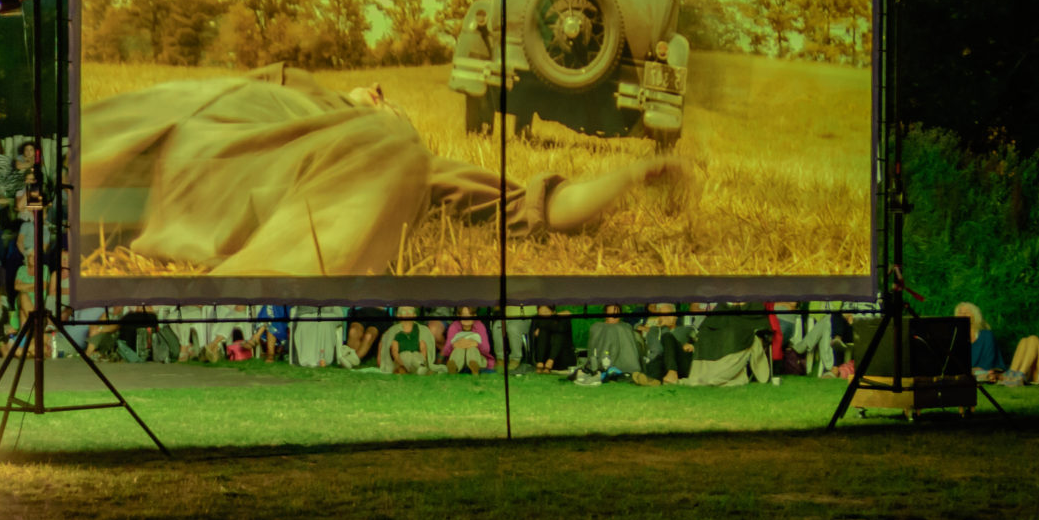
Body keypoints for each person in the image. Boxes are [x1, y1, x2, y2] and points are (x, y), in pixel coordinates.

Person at [82, 65, 685, 277]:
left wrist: (633, 174)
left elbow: (540, 207)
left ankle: (267, 289)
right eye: (374, 91)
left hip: (227, 185)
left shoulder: (392, 151)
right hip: (143, 144)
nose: (376, 88)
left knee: (393, 148)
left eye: (388, 97)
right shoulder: (283, 85)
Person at [631, 309, 696, 385]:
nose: (666, 317)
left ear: (675, 317)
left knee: (667, 337)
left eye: (669, 314)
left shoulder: (687, 329)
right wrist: (661, 328)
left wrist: (693, 346)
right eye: (663, 315)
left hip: (682, 363)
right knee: (658, 357)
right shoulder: (654, 331)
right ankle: (653, 380)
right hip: (663, 364)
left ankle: (671, 373)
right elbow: (656, 349)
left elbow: (701, 341)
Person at [954, 302, 1003, 378]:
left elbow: (990, 360)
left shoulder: (986, 335)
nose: (963, 315)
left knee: (988, 373)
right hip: (965, 372)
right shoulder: (955, 336)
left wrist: (977, 370)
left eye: (967, 312)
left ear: (975, 315)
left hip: (985, 370)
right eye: (960, 313)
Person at [528, 305, 576, 374]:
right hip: (544, 359)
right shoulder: (538, 320)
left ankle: (549, 361)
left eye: (546, 312)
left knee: (559, 332)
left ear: (553, 312)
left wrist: (544, 324)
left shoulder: (562, 320)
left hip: (562, 359)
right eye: (540, 313)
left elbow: (568, 314)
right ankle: (541, 362)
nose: (543, 315)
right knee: (543, 331)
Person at [443, 307, 492, 374]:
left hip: (476, 357)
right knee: (458, 350)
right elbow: (445, 351)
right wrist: (454, 345)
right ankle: (454, 368)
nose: (466, 318)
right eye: (463, 315)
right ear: (459, 316)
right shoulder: (454, 326)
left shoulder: (480, 326)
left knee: (472, 349)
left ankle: (475, 368)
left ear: (474, 316)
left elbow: (487, 349)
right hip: (459, 357)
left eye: (470, 315)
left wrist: (476, 344)